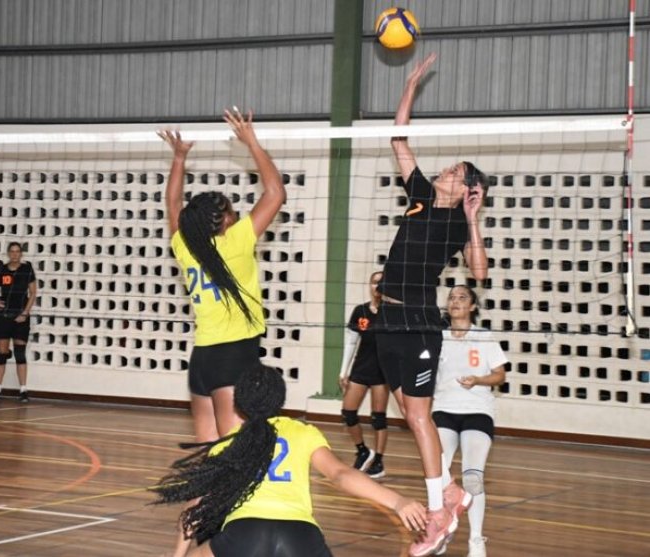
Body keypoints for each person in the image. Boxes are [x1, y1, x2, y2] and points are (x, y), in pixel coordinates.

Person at [376, 52, 489, 557]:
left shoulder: (456, 223)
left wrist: (475, 220)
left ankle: (437, 516)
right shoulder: (421, 194)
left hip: (420, 320)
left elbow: (481, 273)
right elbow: (398, 140)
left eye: (456, 170)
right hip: (387, 315)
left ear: (468, 188)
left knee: (419, 417)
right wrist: (411, 86)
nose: (446, 169)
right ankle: (449, 489)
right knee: (406, 409)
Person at [152, 364, 428, 557]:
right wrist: (398, 501)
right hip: (300, 536)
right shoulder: (302, 432)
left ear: (238, 404)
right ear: (281, 399)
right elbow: (341, 475)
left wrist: (178, 554)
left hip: (244, 534)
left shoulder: (229, 442)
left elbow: (194, 508)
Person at [159, 107, 286, 444]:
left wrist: (179, 159)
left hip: (202, 358)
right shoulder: (237, 241)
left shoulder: (185, 246)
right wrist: (252, 143)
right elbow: (275, 193)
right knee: (232, 451)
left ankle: (200, 500)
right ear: (227, 220)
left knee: (206, 452)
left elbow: (172, 205)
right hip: (234, 356)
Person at [433, 286, 507, 557]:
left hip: (477, 410)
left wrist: (478, 379)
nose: (455, 301)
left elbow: (500, 375)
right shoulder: (437, 338)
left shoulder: (484, 337)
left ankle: (476, 540)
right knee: (437, 474)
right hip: (443, 410)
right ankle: (439, 529)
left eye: (462, 297)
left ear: (473, 306)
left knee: (472, 478)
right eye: (451, 297)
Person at [338, 271, 389, 478]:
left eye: (382, 283)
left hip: (383, 372)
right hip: (361, 369)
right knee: (348, 412)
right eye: (375, 282)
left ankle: (378, 461)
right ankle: (362, 451)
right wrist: (344, 371)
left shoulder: (393, 312)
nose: (378, 286)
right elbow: (351, 341)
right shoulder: (361, 311)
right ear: (370, 285)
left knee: (378, 418)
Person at [0, 241, 36, 402]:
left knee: (20, 354)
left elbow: (33, 293)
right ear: (8, 253)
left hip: (20, 316)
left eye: (17, 251)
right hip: (3, 316)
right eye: (12, 251)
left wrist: (25, 313)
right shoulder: (1, 270)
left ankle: (23, 390)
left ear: (21, 254)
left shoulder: (27, 270)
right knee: (2, 354)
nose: (14, 254)